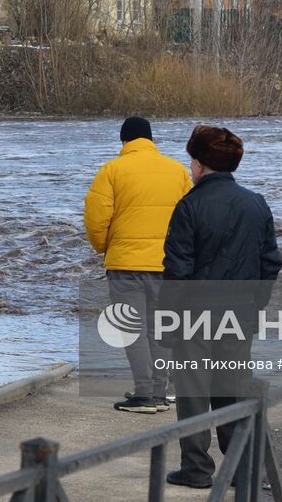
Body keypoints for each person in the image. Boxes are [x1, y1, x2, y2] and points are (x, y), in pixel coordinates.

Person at [162, 125, 282, 490]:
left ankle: (197, 469)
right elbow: (270, 263)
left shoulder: (189, 206)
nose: (190, 168)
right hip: (239, 314)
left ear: (199, 165)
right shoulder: (256, 203)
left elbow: (177, 271)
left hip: (195, 317)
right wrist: (254, 306)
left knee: (193, 392)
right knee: (232, 388)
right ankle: (241, 468)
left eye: (191, 161)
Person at [85, 116, 192, 414]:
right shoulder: (177, 171)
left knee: (133, 328)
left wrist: (105, 246)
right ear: (151, 140)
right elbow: (190, 219)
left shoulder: (111, 170)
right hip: (167, 265)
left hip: (126, 264)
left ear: (124, 141)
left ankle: (144, 394)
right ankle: (159, 393)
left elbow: (96, 220)